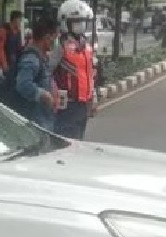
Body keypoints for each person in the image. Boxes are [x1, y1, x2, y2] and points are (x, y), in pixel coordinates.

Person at [50, 0, 98, 140]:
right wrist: (54, 91)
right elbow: (47, 70)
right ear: (66, 22)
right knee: (67, 144)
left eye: (83, 21)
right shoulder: (59, 45)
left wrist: (93, 98)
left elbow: (90, 75)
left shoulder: (85, 45)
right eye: (77, 21)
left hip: (83, 104)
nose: (81, 25)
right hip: (67, 105)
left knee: (79, 142)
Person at [16, 17, 59, 132]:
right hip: (36, 122)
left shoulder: (41, 57)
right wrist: (44, 94)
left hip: (44, 119)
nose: (55, 42)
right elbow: (23, 84)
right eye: (54, 38)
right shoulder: (31, 58)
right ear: (47, 38)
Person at [0, 10, 24, 105]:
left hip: (14, 63)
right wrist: (4, 65)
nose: (20, 22)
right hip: (6, 63)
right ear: (15, 19)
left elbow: (18, 48)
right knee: (6, 86)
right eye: (19, 19)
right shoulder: (4, 30)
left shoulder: (17, 32)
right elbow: (0, 48)